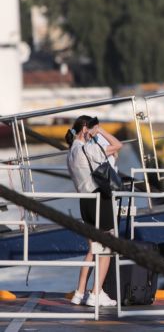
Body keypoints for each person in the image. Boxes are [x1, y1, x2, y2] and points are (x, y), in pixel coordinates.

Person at [66, 115, 123, 307]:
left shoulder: (71, 151)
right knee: (107, 248)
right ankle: (96, 293)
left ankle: (79, 292)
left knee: (93, 249)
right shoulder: (88, 148)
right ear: (85, 128)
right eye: (91, 127)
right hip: (99, 199)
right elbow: (118, 145)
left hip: (85, 202)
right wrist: (100, 131)